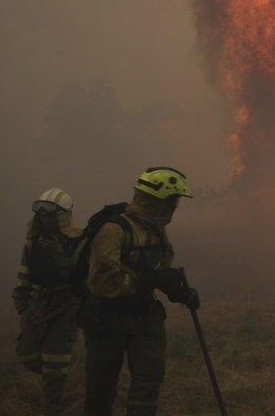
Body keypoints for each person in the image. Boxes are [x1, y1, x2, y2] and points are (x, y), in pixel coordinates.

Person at [81, 167, 199, 416]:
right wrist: (154, 278)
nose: (176, 206)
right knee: (101, 386)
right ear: (158, 200)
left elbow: (161, 270)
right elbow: (102, 283)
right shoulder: (114, 231)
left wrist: (179, 293)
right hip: (107, 318)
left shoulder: (156, 230)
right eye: (173, 199)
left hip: (145, 315)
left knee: (149, 379)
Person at [13, 188, 84, 415]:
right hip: (37, 303)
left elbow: (77, 277)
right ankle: (54, 380)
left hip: (65, 306)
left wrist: (57, 252)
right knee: (26, 354)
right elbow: (24, 273)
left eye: (50, 214)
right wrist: (23, 307)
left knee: (55, 363)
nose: (44, 218)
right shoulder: (33, 241)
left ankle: (50, 408)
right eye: (42, 214)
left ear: (63, 216)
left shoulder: (78, 241)